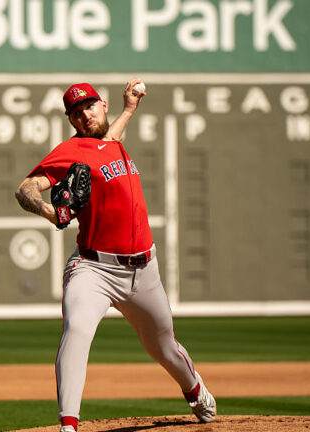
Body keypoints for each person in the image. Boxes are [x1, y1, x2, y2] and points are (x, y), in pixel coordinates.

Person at [14, 80, 216, 431]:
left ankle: (194, 387)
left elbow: (111, 136)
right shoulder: (71, 151)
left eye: (89, 107)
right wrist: (52, 213)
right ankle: (68, 425)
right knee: (77, 328)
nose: (84, 115)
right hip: (93, 268)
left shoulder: (112, 142)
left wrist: (130, 107)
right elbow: (24, 188)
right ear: (71, 121)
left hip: (143, 270)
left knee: (162, 346)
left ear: (102, 105)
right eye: (76, 113)